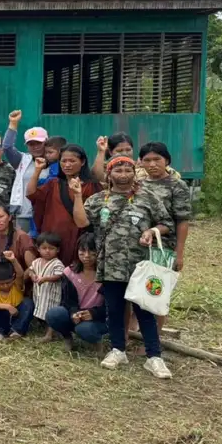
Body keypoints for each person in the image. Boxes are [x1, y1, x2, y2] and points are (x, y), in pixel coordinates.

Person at [73, 156, 175, 379]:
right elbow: (81, 222)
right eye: (117, 169)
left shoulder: (148, 197)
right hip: (111, 266)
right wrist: (79, 196)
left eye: (127, 169)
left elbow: (167, 223)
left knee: (144, 310)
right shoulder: (100, 199)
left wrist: (151, 231)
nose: (123, 173)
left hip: (140, 267)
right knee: (115, 311)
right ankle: (118, 350)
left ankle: (154, 357)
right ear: (109, 174)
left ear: (134, 173)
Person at [27, 144, 100, 265]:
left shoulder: (91, 186)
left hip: (79, 235)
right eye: (63, 161)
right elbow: (31, 194)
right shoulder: (53, 184)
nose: (67, 165)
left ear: (82, 162)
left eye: (72, 161)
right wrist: (37, 170)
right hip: (54, 238)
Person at [46, 233, 107, 352]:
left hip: (98, 318)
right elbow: (67, 301)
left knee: (84, 329)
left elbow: (111, 306)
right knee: (54, 314)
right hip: (77, 314)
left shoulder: (106, 274)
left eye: (92, 252)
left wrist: (93, 313)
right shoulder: (70, 272)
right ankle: (67, 338)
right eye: (82, 251)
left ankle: (97, 342)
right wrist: (74, 313)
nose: (86, 256)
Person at [139, 142, 191, 275]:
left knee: (156, 289)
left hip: (164, 247)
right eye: (147, 160)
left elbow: (182, 220)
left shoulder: (177, 185)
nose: (152, 164)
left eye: (157, 159)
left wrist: (179, 254)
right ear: (141, 162)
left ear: (166, 160)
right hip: (139, 246)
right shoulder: (138, 185)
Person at [1, 110, 49, 236]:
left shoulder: (56, 162)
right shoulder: (22, 160)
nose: (35, 147)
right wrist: (13, 123)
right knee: (23, 248)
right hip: (24, 214)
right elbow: (7, 147)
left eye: (39, 143)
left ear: (47, 142)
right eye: (31, 144)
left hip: (48, 213)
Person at [0, 255, 34, 340]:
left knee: (28, 302)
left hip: (16, 317)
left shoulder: (16, 284)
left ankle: (16, 332)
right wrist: (7, 307)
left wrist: (13, 260)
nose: (5, 286)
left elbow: (20, 274)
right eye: (1, 284)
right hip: (0, 317)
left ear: (13, 277)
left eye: (8, 282)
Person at [27, 232, 65, 343]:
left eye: (51, 248)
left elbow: (59, 275)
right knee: (40, 309)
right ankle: (42, 328)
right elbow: (31, 270)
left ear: (57, 249)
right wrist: (32, 275)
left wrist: (45, 279)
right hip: (39, 292)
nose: (47, 251)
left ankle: (49, 334)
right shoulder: (37, 261)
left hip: (51, 293)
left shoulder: (57, 263)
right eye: (44, 248)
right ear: (38, 249)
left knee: (50, 312)